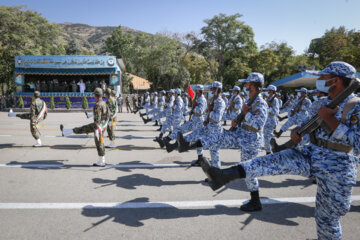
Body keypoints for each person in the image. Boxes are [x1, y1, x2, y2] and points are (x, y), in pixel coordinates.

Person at [200, 61, 360, 239]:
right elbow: (311, 130)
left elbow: (358, 143)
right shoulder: (321, 103)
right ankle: (225, 174)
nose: (320, 80)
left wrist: (332, 121)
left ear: (336, 80)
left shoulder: (355, 106)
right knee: (272, 160)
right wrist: (298, 134)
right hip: (312, 154)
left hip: (339, 166)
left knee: (326, 219)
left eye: (323, 77)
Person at [193, 73, 268, 211]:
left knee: (249, 171)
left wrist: (246, 114)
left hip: (252, 140)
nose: (245, 86)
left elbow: (258, 124)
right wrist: (238, 122)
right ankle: (213, 168)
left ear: (254, 85)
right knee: (246, 168)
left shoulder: (260, 102)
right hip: (243, 136)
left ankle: (255, 201)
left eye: (247, 84)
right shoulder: (251, 100)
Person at [177, 81, 225, 168]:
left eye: (213, 89)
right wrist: (207, 120)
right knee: (198, 137)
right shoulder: (213, 100)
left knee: (214, 152)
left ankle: (217, 173)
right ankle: (184, 143)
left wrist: (210, 111)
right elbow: (209, 113)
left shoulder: (221, 102)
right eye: (211, 88)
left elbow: (217, 117)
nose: (211, 90)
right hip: (209, 126)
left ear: (218, 90)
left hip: (216, 129)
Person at [60, 88, 110, 166]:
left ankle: (101, 161)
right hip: (102, 125)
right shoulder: (104, 103)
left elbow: (97, 118)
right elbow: (108, 115)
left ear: (95, 95)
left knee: (98, 142)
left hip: (98, 126)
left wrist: (97, 129)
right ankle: (65, 131)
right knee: (84, 130)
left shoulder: (98, 105)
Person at [162, 85, 207, 164]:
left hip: (198, 121)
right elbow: (193, 110)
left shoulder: (202, 100)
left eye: (196, 91)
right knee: (182, 130)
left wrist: (195, 105)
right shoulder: (197, 99)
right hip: (194, 119)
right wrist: (185, 114)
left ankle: (171, 144)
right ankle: (169, 141)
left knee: (192, 138)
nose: (194, 92)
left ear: (199, 91)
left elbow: (200, 111)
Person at [263, 85, 280, 155]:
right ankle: (269, 151)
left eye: (268, 90)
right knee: (265, 137)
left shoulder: (275, 100)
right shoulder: (267, 99)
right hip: (266, 120)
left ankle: (271, 151)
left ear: (272, 91)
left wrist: (267, 108)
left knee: (268, 137)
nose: (267, 91)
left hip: (271, 120)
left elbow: (276, 111)